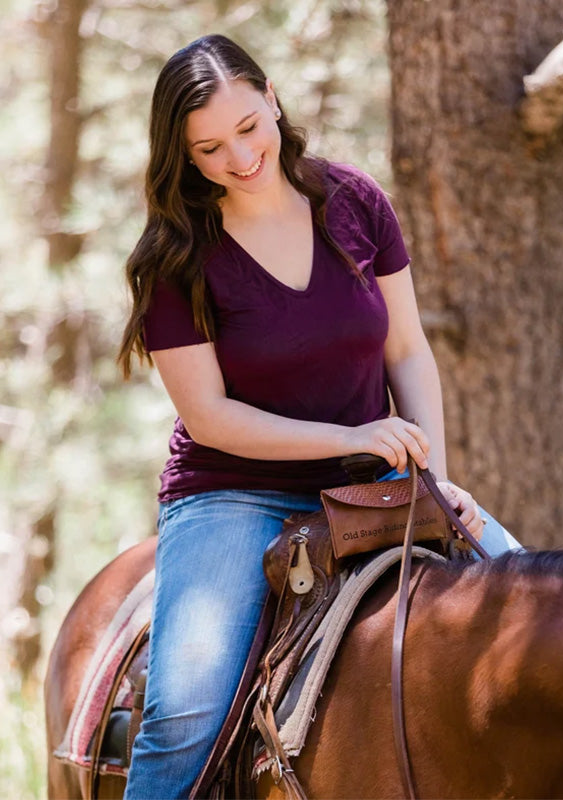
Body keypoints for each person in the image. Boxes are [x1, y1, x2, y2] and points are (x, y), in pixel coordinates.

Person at [117, 33, 519, 799]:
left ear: (271, 99)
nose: (239, 157)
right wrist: (354, 436)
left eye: (247, 127)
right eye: (209, 147)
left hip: (373, 487)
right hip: (234, 494)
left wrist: (431, 471)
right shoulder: (174, 258)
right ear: (185, 157)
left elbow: (407, 349)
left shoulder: (355, 203)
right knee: (185, 711)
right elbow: (209, 418)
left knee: (538, 612)